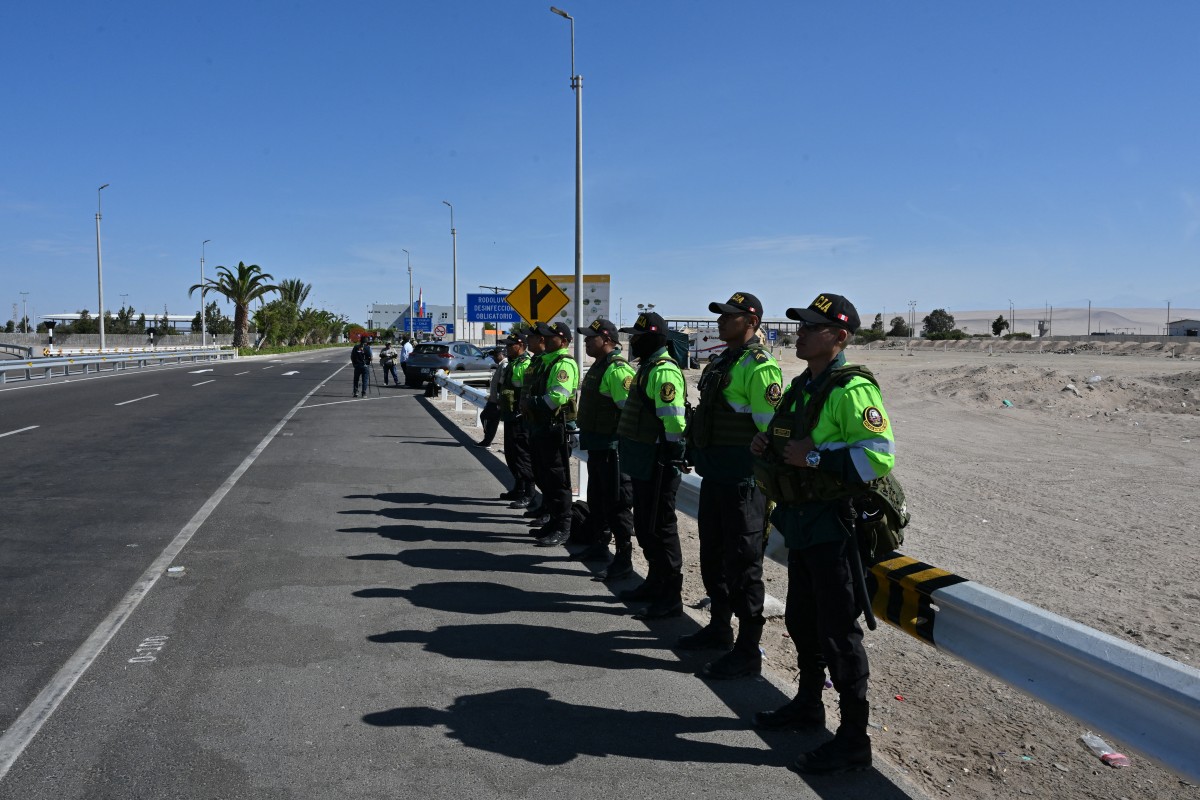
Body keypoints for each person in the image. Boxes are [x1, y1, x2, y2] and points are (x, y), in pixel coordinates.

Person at [749, 293, 894, 775]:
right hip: (803, 523)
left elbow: (878, 454)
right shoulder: (803, 386)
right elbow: (789, 436)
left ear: (840, 337)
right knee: (801, 622)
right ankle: (809, 704)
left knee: (838, 635)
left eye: (813, 327)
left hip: (835, 527)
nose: (802, 333)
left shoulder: (850, 389)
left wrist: (813, 458)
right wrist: (767, 443)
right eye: (802, 325)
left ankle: (853, 740)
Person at [681, 292, 783, 680]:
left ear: (751, 321)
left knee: (744, 567)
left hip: (744, 484)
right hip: (716, 478)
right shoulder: (725, 360)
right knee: (714, 558)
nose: (722, 322)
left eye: (730, 316)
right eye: (721, 315)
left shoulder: (759, 367)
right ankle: (720, 629)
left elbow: (770, 430)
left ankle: (747, 650)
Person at [615, 311, 688, 618]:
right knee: (646, 527)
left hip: (658, 463)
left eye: (638, 337)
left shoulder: (663, 371)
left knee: (661, 529)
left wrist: (669, 455)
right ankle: (654, 583)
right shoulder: (647, 368)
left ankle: (670, 595)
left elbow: (673, 422)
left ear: (653, 338)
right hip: (644, 462)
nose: (633, 341)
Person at [574, 317, 637, 575]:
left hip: (613, 448)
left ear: (608, 340)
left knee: (617, 502)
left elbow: (629, 412)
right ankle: (600, 544)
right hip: (598, 445)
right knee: (598, 499)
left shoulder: (618, 370)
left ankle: (624, 556)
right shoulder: (600, 366)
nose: (587, 341)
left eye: (591, 337)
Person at [520, 321, 580, 547]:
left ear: (563, 341)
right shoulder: (546, 362)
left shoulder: (563, 364)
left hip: (555, 428)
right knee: (544, 476)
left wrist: (531, 402)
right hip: (541, 428)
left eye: (551, 336)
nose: (546, 339)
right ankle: (553, 520)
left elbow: (557, 397)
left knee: (557, 480)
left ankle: (563, 526)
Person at [498, 333, 536, 505]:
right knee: (512, 454)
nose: (507, 348)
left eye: (510, 345)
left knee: (522, 455)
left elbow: (525, 390)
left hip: (520, 417)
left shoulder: (525, 364)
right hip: (510, 415)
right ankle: (518, 487)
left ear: (520, 346)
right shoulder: (512, 364)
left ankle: (529, 493)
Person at [477, 345, 507, 447]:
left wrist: (498, 398)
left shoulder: (504, 365)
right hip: (494, 399)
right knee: (492, 421)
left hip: (497, 401)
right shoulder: (501, 364)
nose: (493, 357)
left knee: (485, 416)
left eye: (495, 355)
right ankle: (487, 441)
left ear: (501, 355)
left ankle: (487, 440)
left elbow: (501, 384)